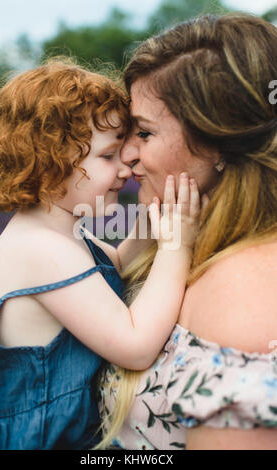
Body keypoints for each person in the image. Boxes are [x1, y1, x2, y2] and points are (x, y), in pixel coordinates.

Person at [0, 58, 205, 449]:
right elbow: (135, 346)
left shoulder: (61, 233)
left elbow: (114, 267)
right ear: (49, 162)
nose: (125, 167)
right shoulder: (38, 248)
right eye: (107, 156)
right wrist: (176, 244)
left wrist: (153, 220)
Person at [97, 13, 277, 450]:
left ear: (217, 142)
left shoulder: (242, 293)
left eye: (143, 131)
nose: (127, 154)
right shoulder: (181, 245)